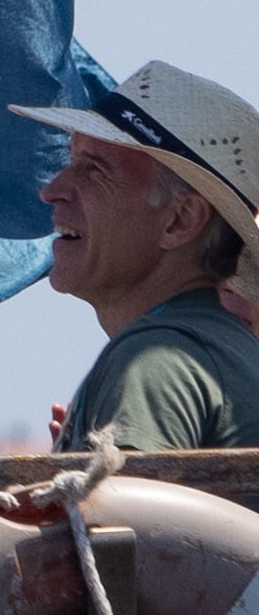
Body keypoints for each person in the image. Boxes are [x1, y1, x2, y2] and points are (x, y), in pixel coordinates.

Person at [15, 62, 259, 453]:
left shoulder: (157, 358)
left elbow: (123, 515)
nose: (52, 190)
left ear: (180, 219)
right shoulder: (213, 346)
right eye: (71, 159)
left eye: (94, 169)